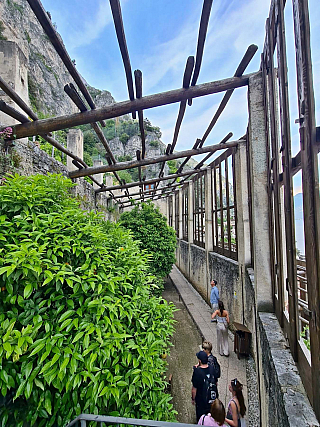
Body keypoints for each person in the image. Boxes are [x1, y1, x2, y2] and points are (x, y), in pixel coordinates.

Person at [191, 351, 215, 422]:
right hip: (211, 399)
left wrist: (193, 399)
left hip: (201, 400)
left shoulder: (197, 372)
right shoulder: (211, 368)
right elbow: (215, 382)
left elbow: (194, 389)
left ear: (199, 361)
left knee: (201, 418)